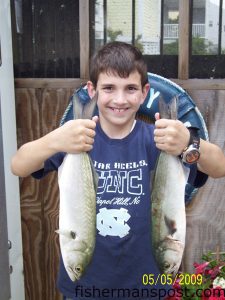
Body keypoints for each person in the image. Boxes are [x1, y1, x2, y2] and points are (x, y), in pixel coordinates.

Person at [11, 42, 225, 300]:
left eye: (131, 89)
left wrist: (190, 143)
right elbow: (18, 165)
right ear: (92, 91)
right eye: (109, 88)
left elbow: (219, 167)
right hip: (84, 286)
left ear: (145, 92)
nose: (120, 99)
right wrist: (54, 140)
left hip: (147, 287)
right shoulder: (75, 140)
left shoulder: (158, 141)